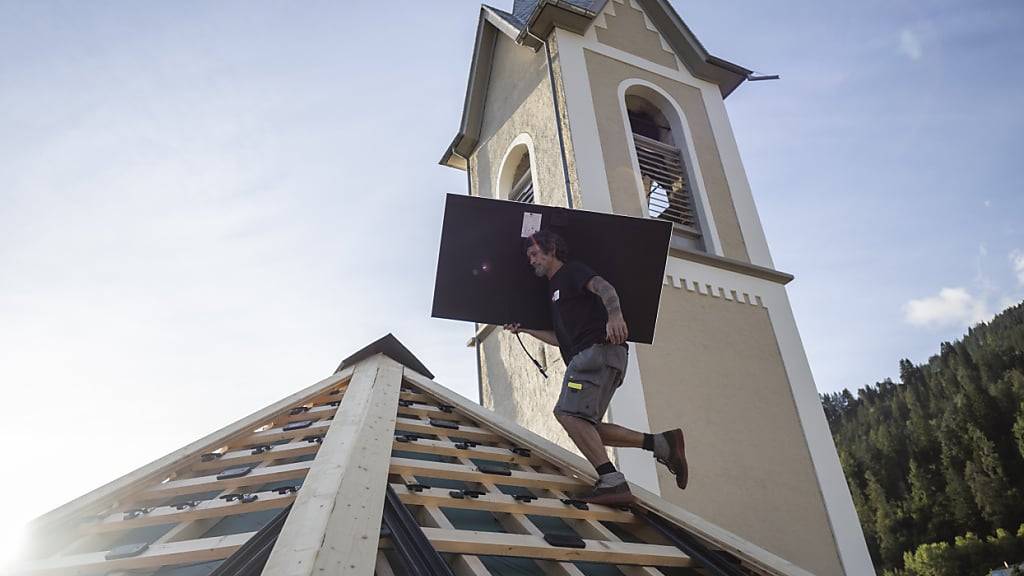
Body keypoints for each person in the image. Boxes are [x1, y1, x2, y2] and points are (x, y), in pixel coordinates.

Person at [504, 229, 688, 506]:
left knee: (567, 414)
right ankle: (661, 443)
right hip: (600, 358)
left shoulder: (572, 272)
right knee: (586, 426)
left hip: (595, 356)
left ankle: (612, 482)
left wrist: (615, 315)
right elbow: (560, 339)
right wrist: (527, 330)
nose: (531, 260)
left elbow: (605, 287)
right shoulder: (554, 292)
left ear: (551, 249)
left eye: (533, 254)